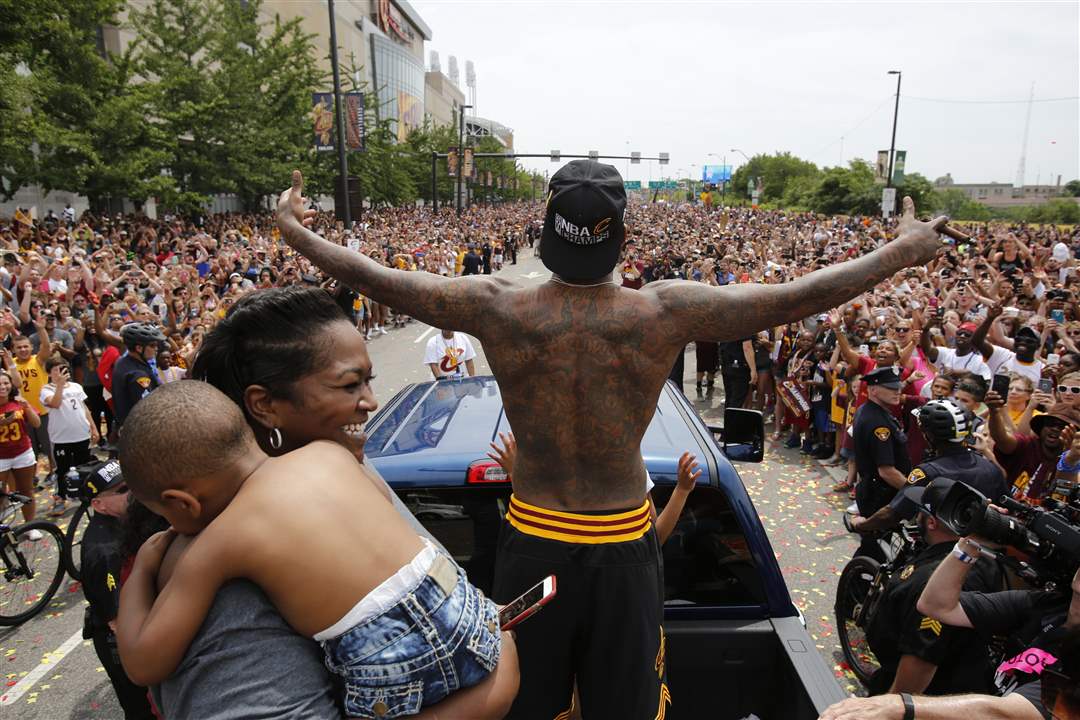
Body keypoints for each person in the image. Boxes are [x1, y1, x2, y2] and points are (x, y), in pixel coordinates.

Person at [276, 163, 949, 720]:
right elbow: (793, 297)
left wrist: (296, 232)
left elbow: (380, 278)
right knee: (625, 709)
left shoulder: (496, 305)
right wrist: (902, 250)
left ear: (547, 233)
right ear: (620, 239)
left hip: (533, 544)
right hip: (624, 546)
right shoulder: (664, 312)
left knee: (525, 703)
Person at [115, 381, 519, 720]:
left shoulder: (220, 541)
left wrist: (145, 569)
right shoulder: (331, 454)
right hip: (469, 616)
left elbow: (144, 662)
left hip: (394, 666)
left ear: (182, 503)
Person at [863, 478, 1003, 697]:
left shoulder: (936, 580)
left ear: (931, 522)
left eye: (920, 512)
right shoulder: (984, 559)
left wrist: (892, 705)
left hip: (930, 692)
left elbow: (921, 659)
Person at [851, 398, 1006, 535]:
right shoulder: (990, 468)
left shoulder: (927, 472)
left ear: (928, 435)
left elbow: (892, 514)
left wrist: (862, 525)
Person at [79, 460, 156, 720]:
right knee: (143, 711)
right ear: (98, 505)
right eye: (123, 489)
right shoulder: (103, 551)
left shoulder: (132, 516)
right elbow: (118, 621)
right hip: (123, 640)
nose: (132, 492)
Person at [850, 366, 912, 561]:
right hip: (880, 495)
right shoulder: (878, 423)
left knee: (877, 550)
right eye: (891, 388)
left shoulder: (869, 410)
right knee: (875, 553)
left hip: (873, 490)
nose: (897, 391)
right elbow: (887, 471)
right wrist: (913, 492)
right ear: (873, 389)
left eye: (898, 387)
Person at [40, 356, 98, 516]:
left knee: (84, 465)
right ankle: (60, 498)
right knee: (62, 469)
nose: (60, 372)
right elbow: (55, 403)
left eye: (63, 368)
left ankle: (85, 493)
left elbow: (84, 408)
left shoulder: (76, 387)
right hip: (61, 438)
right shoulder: (46, 390)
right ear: (49, 372)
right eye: (56, 369)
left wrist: (93, 427)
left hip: (81, 434)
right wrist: (59, 385)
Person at [0, 366, 41, 531]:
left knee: (26, 490)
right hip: (1, 457)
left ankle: (30, 526)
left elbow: (37, 423)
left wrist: (27, 407)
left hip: (22, 453)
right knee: (1, 494)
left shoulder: (18, 402)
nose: (2, 387)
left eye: (5, 383)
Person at [111, 322, 165, 428]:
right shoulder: (138, 375)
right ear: (139, 348)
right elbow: (147, 409)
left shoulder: (123, 361)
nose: (156, 349)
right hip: (138, 429)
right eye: (152, 345)